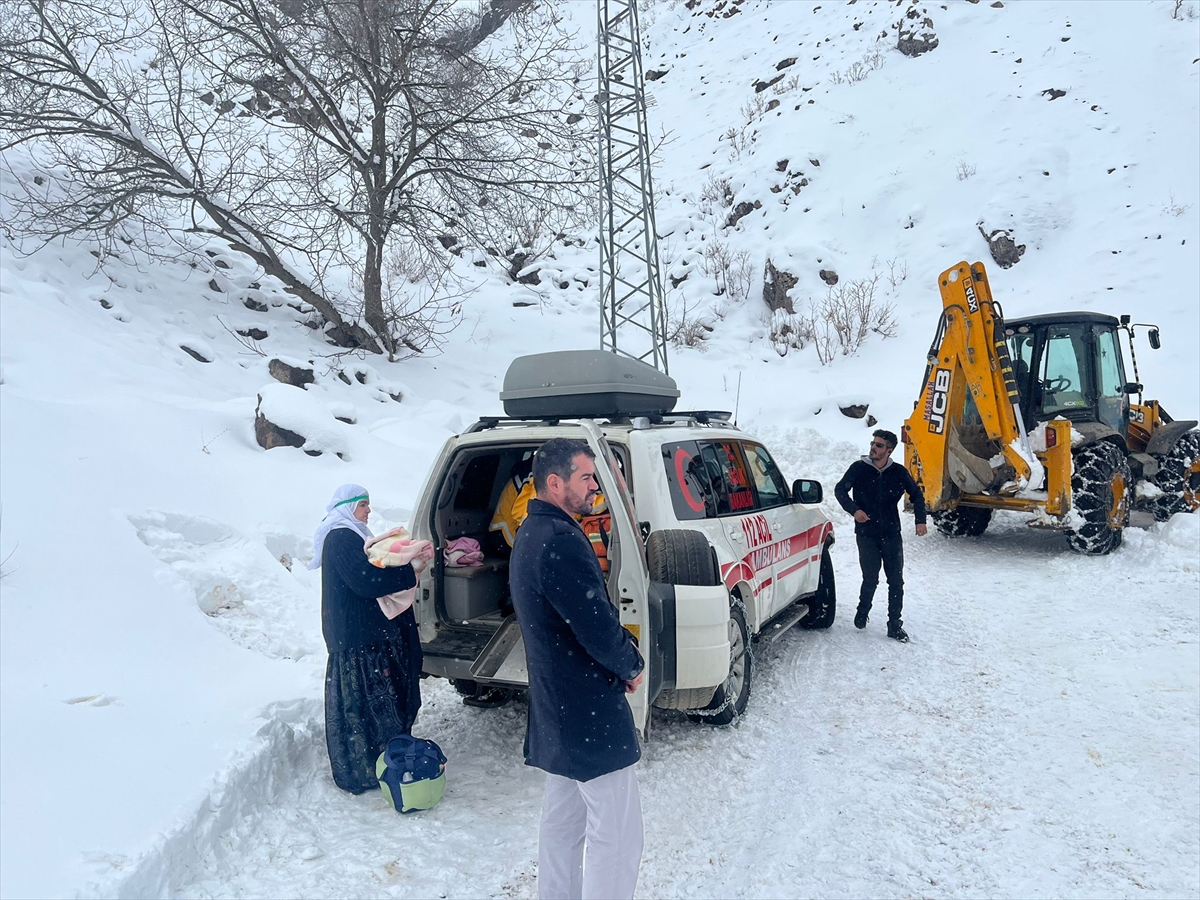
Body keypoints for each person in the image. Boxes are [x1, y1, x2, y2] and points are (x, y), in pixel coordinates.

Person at [509, 438, 645, 900]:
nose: (594, 487)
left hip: (559, 702)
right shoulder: (559, 540)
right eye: (585, 477)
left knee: (563, 822)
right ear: (554, 482)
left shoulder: (531, 531)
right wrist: (630, 662)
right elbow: (596, 625)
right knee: (619, 832)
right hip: (586, 707)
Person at [310, 483, 428, 794]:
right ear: (348, 507)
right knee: (366, 705)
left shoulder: (350, 536)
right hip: (358, 638)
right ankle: (365, 767)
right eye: (363, 505)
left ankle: (378, 759)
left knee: (369, 703)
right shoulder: (340, 538)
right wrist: (409, 571)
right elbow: (366, 580)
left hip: (360, 635)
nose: (368, 510)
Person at [834, 429, 928, 643]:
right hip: (866, 533)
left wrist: (920, 520)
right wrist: (854, 510)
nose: (873, 448)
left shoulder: (898, 472)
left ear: (889, 450)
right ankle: (862, 610)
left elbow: (917, 495)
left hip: (891, 533)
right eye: (873, 443)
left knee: (896, 581)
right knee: (870, 577)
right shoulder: (859, 469)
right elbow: (840, 490)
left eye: (879, 445)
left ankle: (894, 625)